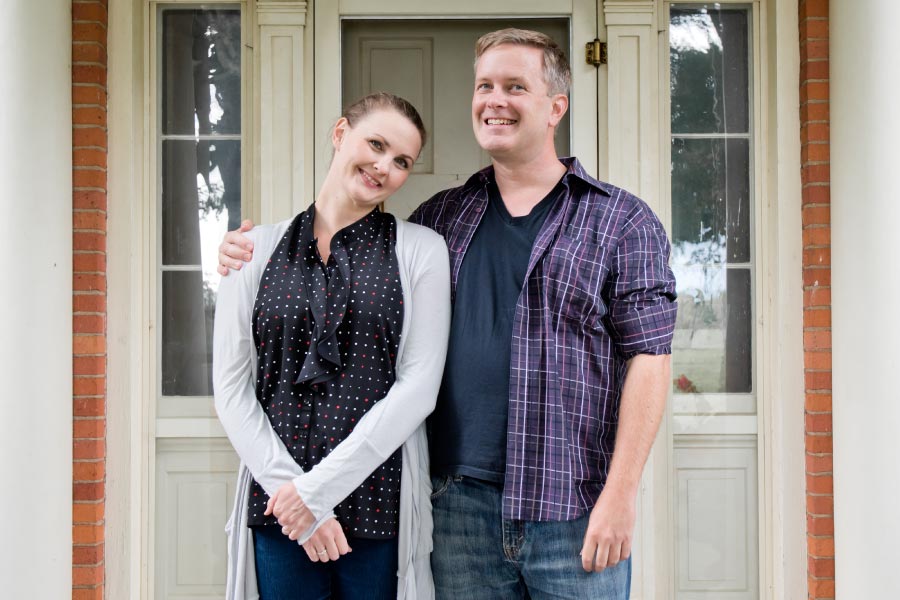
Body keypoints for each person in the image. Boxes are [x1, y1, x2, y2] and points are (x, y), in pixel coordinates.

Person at [218, 29, 677, 600]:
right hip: (459, 509)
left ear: (556, 106)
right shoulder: (442, 220)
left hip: (572, 506)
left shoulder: (621, 221)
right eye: (485, 86)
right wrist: (242, 252)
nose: (495, 100)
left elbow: (650, 359)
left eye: (515, 86)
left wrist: (622, 492)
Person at [212, 92, 450, 600]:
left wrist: (317, 494)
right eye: (377, 144)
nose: (384, 166)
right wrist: (295, 498)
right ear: (341, 133)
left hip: (377, 503)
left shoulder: (421, 252)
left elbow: (419, 389)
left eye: (402, 161)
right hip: (279, 508)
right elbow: (231, 390)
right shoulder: (251, 252)